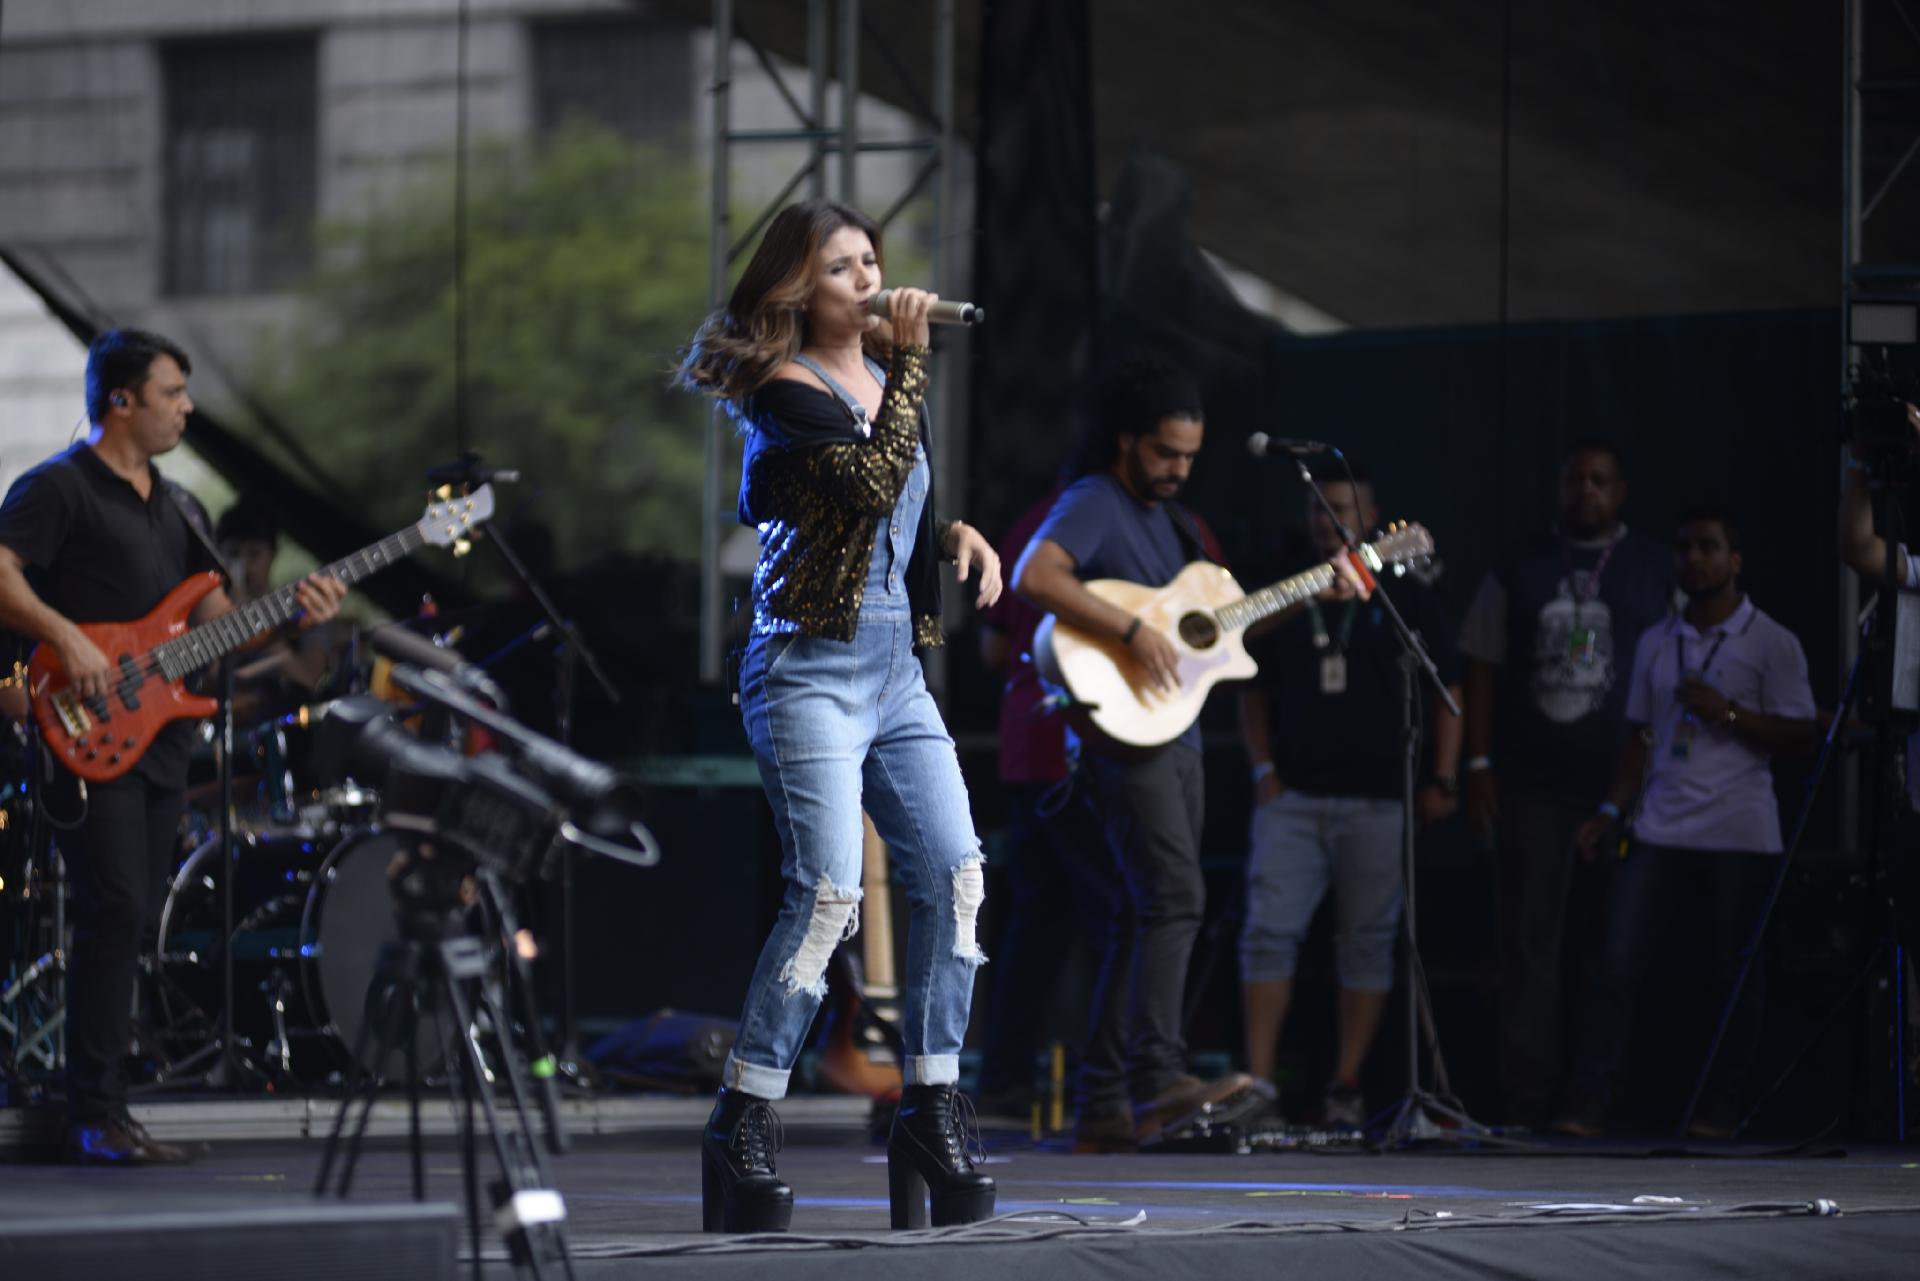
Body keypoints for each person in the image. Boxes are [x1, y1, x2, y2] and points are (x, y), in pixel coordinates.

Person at [676, 199, 1000, 1232]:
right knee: (826, 895)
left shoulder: (885, 378)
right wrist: (912, 368)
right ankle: (743, 1116)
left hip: (895, 669)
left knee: (955, 875)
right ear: (797, 290)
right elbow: (863, 482)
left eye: (872, 262)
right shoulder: (784, 388)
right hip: (806, 668)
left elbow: (892, 504)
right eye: (842, 269)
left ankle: (932, 1105)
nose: (867, 281)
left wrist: (952, 532)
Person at [0, 329, 345, 1164]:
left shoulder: (183, 506)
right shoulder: (56, 488)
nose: (187, 407)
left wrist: (293, 614)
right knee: (114, 907)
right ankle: (94, 1113)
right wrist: (67, 638)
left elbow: (222, 627)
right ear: (120, 400)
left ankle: (106, 1108)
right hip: (80, 728)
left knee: (133, 913)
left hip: (159, 738)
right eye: (172, 392)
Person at [1011, 350, 1255, 1152]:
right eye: (1165, 452)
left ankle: (1105, 1104)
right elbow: (1036, 575)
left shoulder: (1172, 523)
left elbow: (1216, 632)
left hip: (1173, 727)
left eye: (1190, 456)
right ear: (1126, 440)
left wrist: (1322, 587)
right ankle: (1158, 1076)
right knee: (1174, 897)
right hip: (1127, 735)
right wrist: (1128, 628)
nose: (1179, 469)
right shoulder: (1096, 500)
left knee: (1136, 912)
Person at [1556, 508, 1816, 1137]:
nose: (1694, 559)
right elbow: (1638, 737)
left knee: (1734, 971)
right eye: (1684, 547)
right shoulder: (1657, 639)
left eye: (1708, 547)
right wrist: (1611, 810)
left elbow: (1803, 736)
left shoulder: (1771, 641)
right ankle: (1591, 1100)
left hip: (1740, 828)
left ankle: (1721, 1103)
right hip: (1661, 824)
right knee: (1617, 963)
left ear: (1735, 560)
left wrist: (1729, 714)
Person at [1455, 439, 1674, 1128]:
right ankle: (1528, 1091)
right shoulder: (1520, 563)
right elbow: (1480, 664)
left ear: (1622, 490)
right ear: (1559, 486)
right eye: (1576, 479)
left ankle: (1598, 1092)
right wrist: (1478, 764)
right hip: (1532, 785)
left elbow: (1676, 666)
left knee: (1614, 946)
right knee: (1531, 943)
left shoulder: (1653, 566)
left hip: (1623, 787)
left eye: (1601, 480)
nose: (1588, 491)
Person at [1238, 462, 1462, 1128]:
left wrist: (1446, 776)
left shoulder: (1404, 594)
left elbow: (1448, 684)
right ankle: (1259, 1086)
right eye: (1317, 507)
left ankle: (1347, 1084)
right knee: (1267, 935)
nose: (1326, 520)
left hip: (1378, 798)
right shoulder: (1283, 581)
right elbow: (1247, 677)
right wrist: (1263, 772)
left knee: (1366, 943)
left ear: (1370, 518)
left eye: (1340, 509)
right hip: (1293, 797)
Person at [973, 481, 1117, 1119]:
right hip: (1088, 748)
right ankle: (1112, 1085)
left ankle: (1004, 1082)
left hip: (1030, 747)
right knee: (1121, 919)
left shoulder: (1032, 519)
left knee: (1034, 925)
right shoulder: (1146, 525)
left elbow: (993, 647)